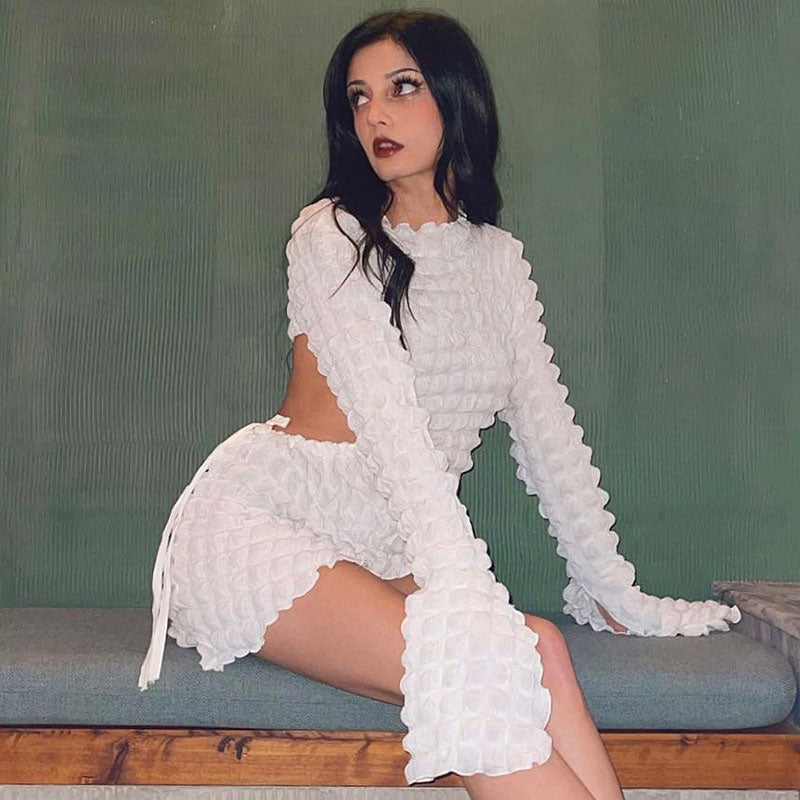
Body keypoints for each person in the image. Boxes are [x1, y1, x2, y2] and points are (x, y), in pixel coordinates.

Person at [137, 10, 741, 799]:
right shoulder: (332, 234)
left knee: (544, 648)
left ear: (456, 98)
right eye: (358, 99)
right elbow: (392, 431)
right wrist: (459, 588)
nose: (375, 116)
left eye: (402, 88)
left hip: (380, 553)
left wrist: (615, 591)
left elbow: (551, 440)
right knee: (481, 669)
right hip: (261, 525)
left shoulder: (497, 261)